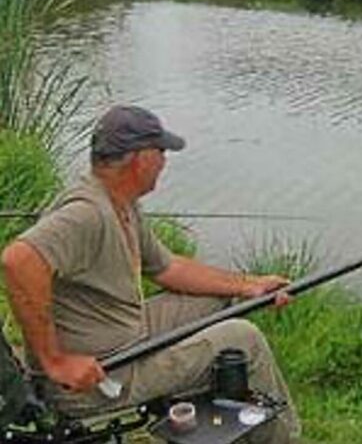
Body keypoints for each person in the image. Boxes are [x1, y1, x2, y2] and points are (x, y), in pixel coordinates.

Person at [1, 105, 301, 443]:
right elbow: (18, 261)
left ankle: (213, 424)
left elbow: (168, 267)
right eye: (161, 152)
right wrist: (55, 361)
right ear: (140, 159)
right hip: (102, 377)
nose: (165, 161)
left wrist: (249, 285)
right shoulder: (88, 213)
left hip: (127, 334)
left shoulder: (121, 203)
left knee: (224, 300)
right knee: (244, 338)